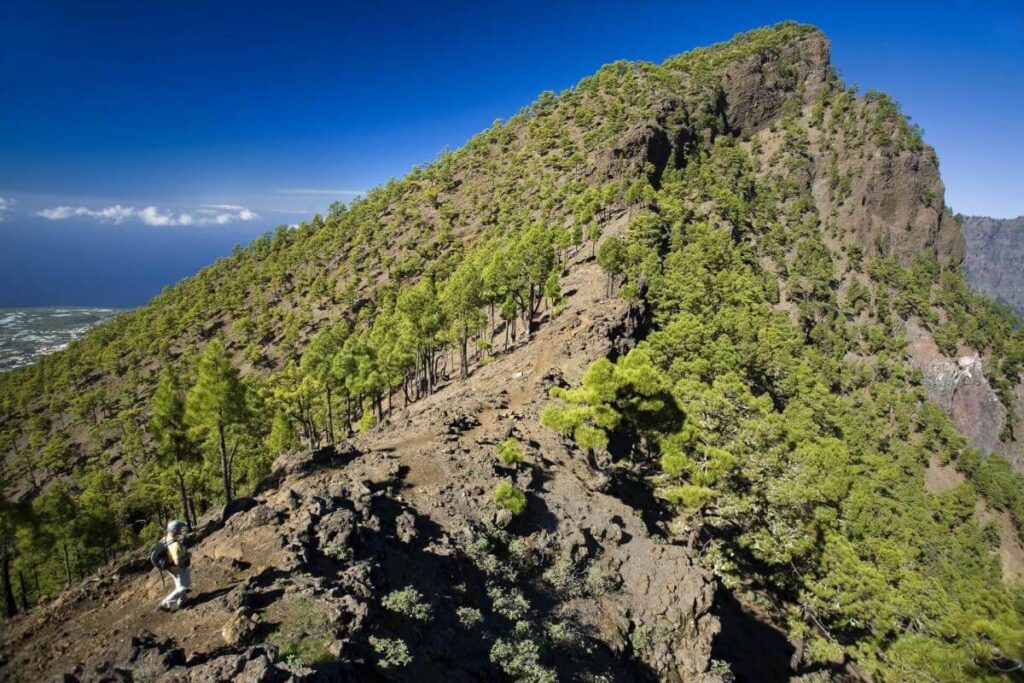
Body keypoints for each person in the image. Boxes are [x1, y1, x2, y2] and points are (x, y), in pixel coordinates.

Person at [158, 520, 191, 611]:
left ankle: (183, 600)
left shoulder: (165, 539)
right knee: (183, 586)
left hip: (171, 568)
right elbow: (177, 561)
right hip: (178, 568)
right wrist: (187, 555)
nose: (181, 531)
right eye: (180, 530)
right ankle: (166, 603)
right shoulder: (175, 544)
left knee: (182, 583)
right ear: (174, 531)